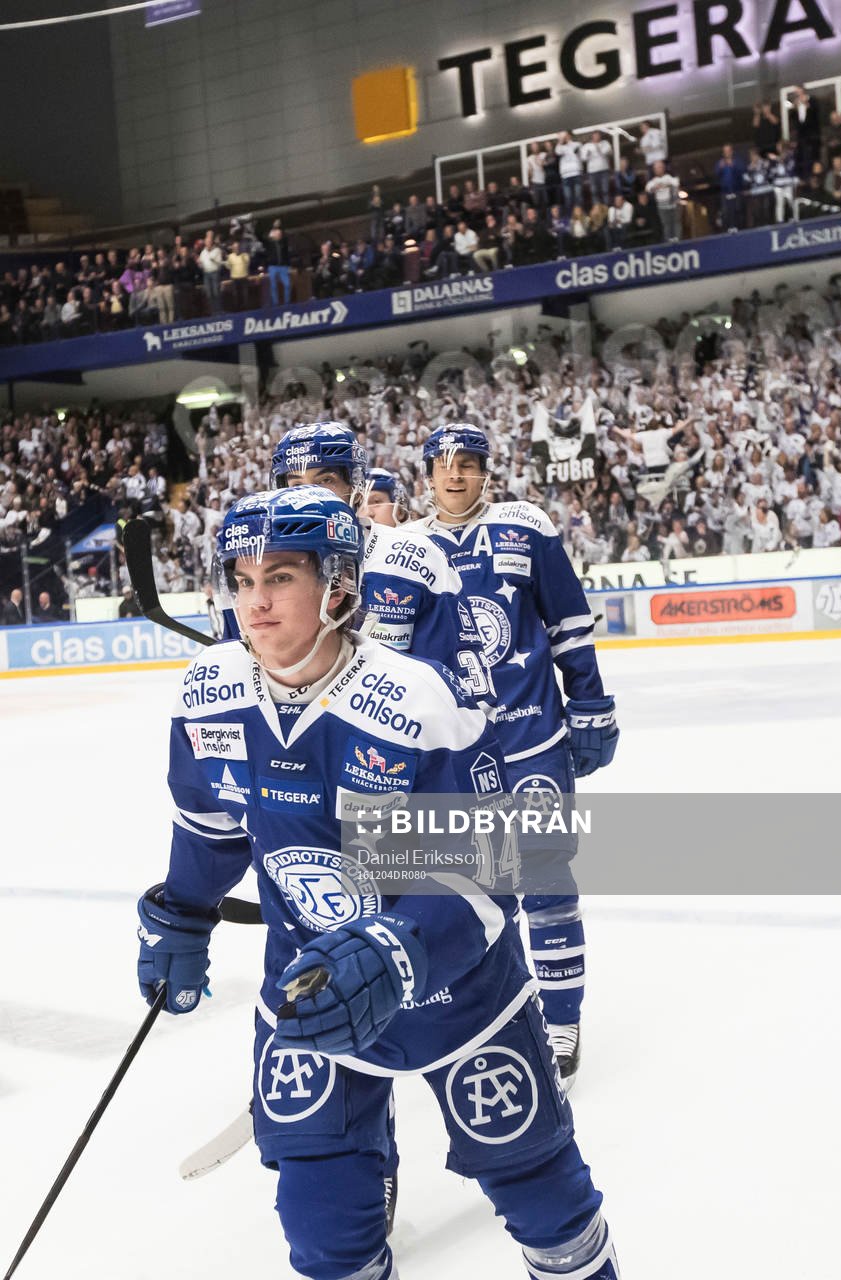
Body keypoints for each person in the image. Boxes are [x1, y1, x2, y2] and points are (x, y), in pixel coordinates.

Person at [136, 486, 620, 1280]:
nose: (256, 603)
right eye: (243, 579)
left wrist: (401, 948)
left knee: (547, 1208)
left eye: (281, 578)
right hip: (310, 990)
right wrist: (181, 914)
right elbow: (209, 823)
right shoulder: (207, 690)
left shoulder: (413, 704)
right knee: (324, 1232)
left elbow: (483, 871)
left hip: (455, 1000)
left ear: (339, 588)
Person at [408, 424, 620, 1086]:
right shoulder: (406, 551)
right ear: (426, 475)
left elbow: (568, 622)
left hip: (533, 742)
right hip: (455, 756)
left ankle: (561, 1018)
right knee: (470, 891)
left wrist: (587, 700)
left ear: (485, 472)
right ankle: (500, 1014)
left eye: (468, 464)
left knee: (546, 882)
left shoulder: (523, 527)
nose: (455, 476)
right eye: (444, 466)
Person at [269, 422, 491, 700]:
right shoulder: (260, 571)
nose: (308, 499)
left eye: (325, 482)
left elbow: (458, 689)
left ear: (355, 486)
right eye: (296, 486)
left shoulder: (415, 556)